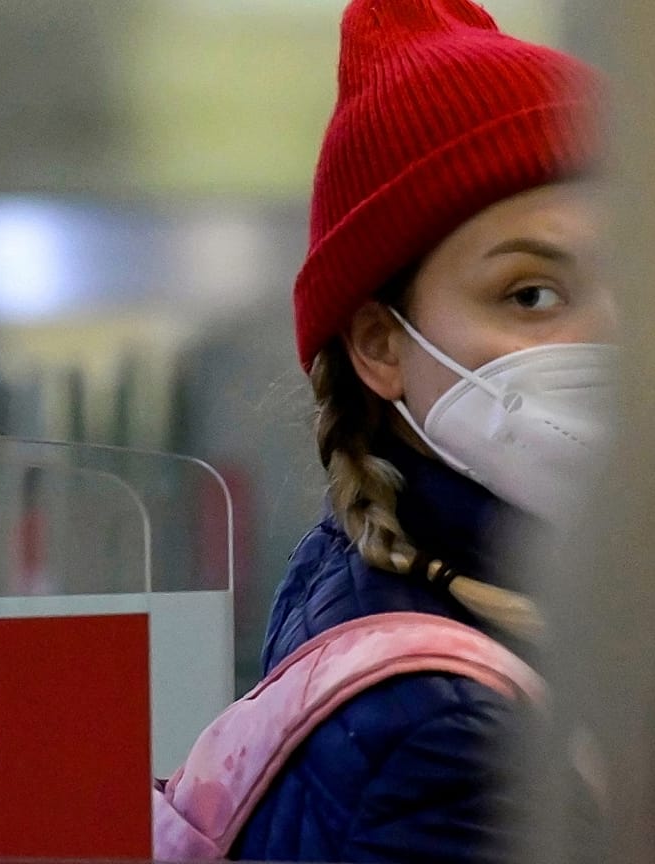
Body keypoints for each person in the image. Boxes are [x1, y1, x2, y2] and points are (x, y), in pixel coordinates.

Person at [232, 1, 614, 861]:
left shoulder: (378, 561)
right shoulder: (451, 738)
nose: (611, 335)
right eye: (530, 295)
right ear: (381, 344)